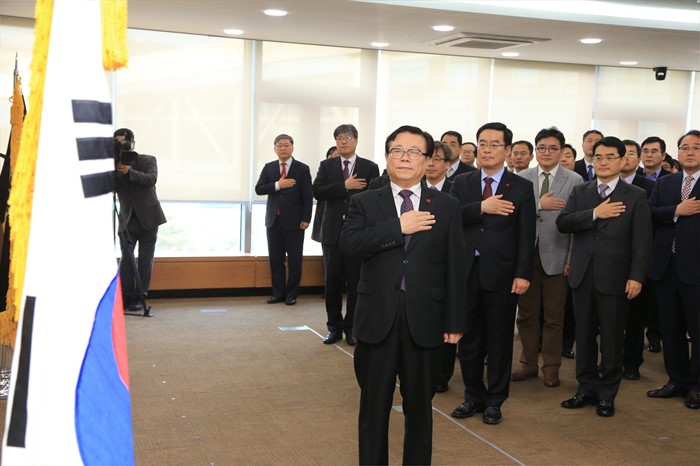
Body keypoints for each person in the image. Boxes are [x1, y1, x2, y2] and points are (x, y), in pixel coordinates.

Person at [339, 125, 467, 465]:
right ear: (387, 157)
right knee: (373, 410)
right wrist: (398, 227)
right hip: (377, 320)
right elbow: (348, 245)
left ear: (427, 160)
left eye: (414, 152)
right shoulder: (365, 201)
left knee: (420, 411)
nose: (405, 157)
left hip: (425, 321)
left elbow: (456, 266)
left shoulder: (447, 205)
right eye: (398, 150)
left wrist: (455, 320)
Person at [556, 136, 652, 417]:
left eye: (610, 157)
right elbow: (563, 222)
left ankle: (607, 394)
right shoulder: (581, 191)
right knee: (584, 337)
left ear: (623, 161)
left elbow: (642, 240)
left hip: (616, 277)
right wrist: (595, 213)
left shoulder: (635, 195)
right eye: (599, 157)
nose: (603, 162)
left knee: (611, 339)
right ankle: (585, 389)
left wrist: (636, 276)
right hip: (583, 275)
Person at [450, 122, 536, 425]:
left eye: (494, 144)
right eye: (482, 144)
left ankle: (495, 400)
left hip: (502, 274)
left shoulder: (521, 187)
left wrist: (523, 274)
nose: (486, 150)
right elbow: (450, 217)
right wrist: (481, 207)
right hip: (466, 272)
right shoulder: (462, 182)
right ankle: (472, 395)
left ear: (507, 150)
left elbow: (527, 234)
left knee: (499, 340)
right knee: (469, 339)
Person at [511, 127, 583, 388]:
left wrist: (571, 258)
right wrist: (540, 204)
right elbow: (514, 212)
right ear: (535, 151)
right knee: (526, 315)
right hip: (525, 255)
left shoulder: (574, 179)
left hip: (558, 254)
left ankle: (551, 368)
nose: (547, 152)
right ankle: (528, 363)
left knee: (554, 316)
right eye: (541, 147)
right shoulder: (522, 177)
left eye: (553, 148)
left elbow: (576, 222)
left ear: (562, 151)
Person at [646, 129, 700, 410]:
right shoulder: (666, 182)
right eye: (685, 147)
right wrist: (676, 211)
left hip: (696, 270)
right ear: (677, 153)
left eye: (696, 147)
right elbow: (650, 212)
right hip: (666, 268)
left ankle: (696, 385)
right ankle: (676, 379)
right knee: (671, 328)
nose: (690, 152)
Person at [313, 124, 379, 346]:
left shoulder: (370, 167)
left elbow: (375, 197)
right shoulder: (327, 165)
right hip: (332, 232)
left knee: (355, 283)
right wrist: (344, 185)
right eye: (339, 138)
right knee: (332, 283)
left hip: (358, 232)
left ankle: (352, 328)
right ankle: (334, 327)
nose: (343, 141)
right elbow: (317, 191)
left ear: (356, 140)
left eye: (348, 137)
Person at [255, 134, 313, 306]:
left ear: (292, 147)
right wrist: (278, 185)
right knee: (275, 259)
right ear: (275, 148)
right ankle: (278, 293)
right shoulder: (269, 168)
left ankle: (291, 294)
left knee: (295, 261)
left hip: (295, 222)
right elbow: (259, 189)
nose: (283, 148)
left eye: (286, 145)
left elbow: (307, 196)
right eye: (279, 145)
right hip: (273, 221)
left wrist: (306, 218)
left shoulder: (302, 168)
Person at [114, 128, 167, 311]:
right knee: (127, 260)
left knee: (145, 260)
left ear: (131, 143)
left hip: (148, 218)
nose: (120, 146)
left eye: (122, 142)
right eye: (116, 143)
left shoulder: (147, 160)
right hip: (127, 219)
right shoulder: (112, 164)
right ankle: (126, 295)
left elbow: (151, 179)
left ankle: (140, 295)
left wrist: (129, 172)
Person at [619, 139, 657, 380]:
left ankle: (632, 363)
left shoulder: (650, 187)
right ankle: (610, 360)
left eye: (631, 154)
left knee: (635, 316)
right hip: (609, 261)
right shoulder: (602, 185)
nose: (625, 158)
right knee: (608, 318)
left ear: (639, 159)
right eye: (621, 154)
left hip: (636, 260)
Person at [311, 146, 338, 244]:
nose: (334, 159)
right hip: (324, 211)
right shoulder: (324, 170)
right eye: (331, 157)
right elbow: (316, 191)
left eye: (337, 157)